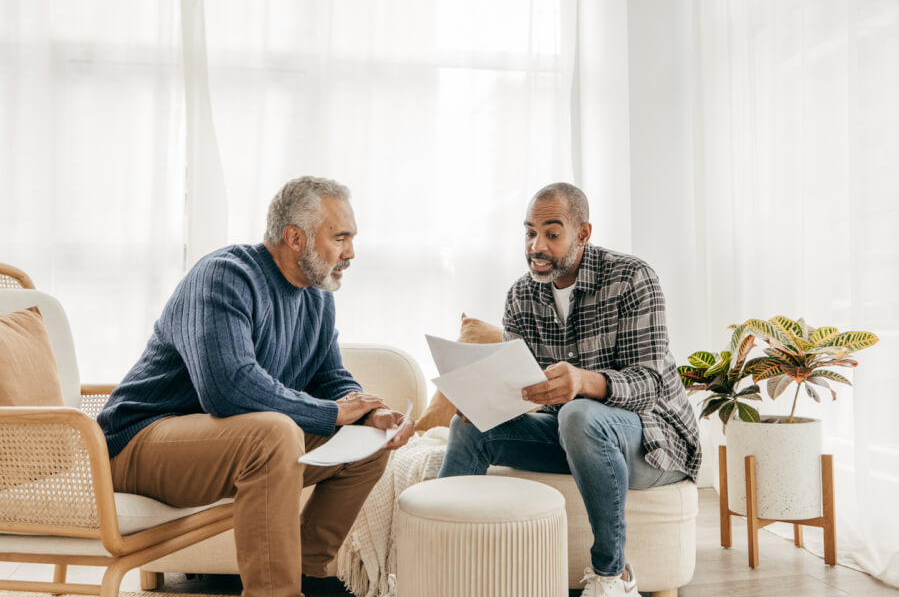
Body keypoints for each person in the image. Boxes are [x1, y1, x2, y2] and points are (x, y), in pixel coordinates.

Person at [98, 176, 415, 597]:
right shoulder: (225, 275)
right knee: (273, 433)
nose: (350, 252)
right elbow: (227, 388)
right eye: (340, 237)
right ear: (295, 237)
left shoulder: (317, 297)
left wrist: (371, 412)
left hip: (219, 444)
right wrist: (330, 412)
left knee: (369, 439)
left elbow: (330, 377)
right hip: (139, 442)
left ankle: (310, 576)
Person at [438, 182, 700, 597]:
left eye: (551, 233)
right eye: (529, 232)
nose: (536, 245)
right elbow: (523, 391)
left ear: (583, 233)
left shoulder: (632, 277)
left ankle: (612, 577)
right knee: (467, 429)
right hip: (573, 436)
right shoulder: (521, 296)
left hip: (654, 440)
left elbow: (650, 384)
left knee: (579, 415)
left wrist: (583, 382)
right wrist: (486, 404)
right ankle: (440, 572)